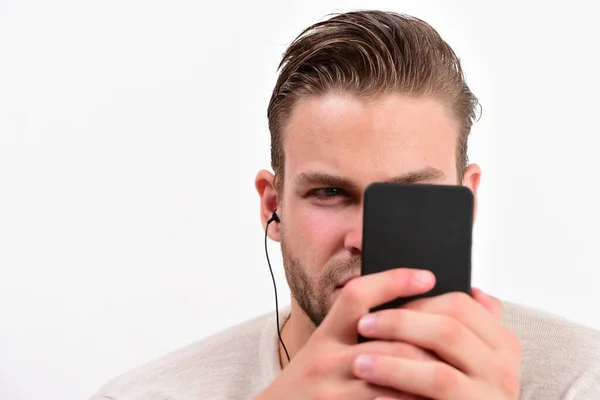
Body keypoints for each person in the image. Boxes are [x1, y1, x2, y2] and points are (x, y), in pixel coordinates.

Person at [90, 10, 600, 400]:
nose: (365, 236)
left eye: (410, 195)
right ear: (273, 206)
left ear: (466, 203)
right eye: (330, 193)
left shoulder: (581, 379)